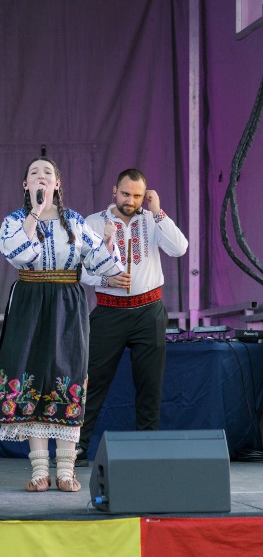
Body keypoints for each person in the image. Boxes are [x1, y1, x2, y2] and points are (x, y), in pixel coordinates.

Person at [0, 157, 122, 492]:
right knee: (32, 376)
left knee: (67, 376)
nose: (41, 177)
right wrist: (35, 213)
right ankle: (38, 470)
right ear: (26, 185)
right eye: (34, 173)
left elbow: (103, 266)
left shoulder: (74, 221)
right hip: (30, 302)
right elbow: (19, 254)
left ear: (58, 184)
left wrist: (108, 243)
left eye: (48, 173)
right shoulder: (14, 221)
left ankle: (66, 470)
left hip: (67, 302)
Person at [76, 169, 188, 466]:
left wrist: (158, 211)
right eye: (126, 194)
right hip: (109, 310)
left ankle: (147, 450)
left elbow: (180, 248)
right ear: (114, 191)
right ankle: (77, 449)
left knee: (150, 384)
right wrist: (106, 280)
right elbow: (79, 270)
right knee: (92, 381)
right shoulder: (93, 222)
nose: (131, 200)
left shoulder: (152, 219)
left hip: (149, 311)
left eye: (137, 195)